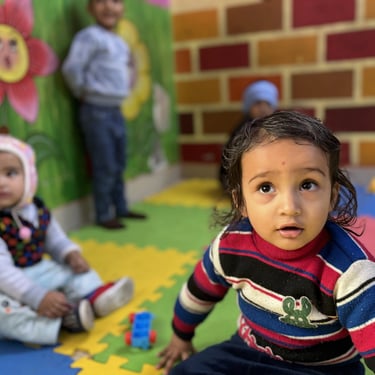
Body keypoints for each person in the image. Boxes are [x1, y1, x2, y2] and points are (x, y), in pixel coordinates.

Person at [157, 111, 375, 374]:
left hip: (322, 369)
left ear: (331, 197)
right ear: (241, 202)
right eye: (265, 187)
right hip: (247, 351)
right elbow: (200, 290)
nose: (289, 207)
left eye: (308, 184)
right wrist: (181, 335)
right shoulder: (231, 245)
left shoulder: (351, 271)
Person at [0, 134, 135, 345]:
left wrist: (70, 254)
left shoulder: (37, 210)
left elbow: (55, 240)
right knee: (4, 312)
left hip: (39, 269)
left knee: (74, 271)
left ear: (29, 177)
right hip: (5, 286)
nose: (1, 182)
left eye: (11, 173)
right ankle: (58, 321)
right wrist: (37, 297)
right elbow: (4, 273)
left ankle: (95, 296)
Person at [62, 0, 146, 229]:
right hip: (95, 109)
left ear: (123, 8)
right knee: (105, 164)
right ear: (90, 8)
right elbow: (71, 67)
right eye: (101, 1)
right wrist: (82, 91)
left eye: (116, 1)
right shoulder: (89, 36)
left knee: (119, 163)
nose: (109, 7)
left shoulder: (119, 41)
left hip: (115, 109)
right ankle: (103, 213)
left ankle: (120, 207)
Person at [219, 80, 279, 192]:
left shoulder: (277, 128)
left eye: (268, 104)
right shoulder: (242, 129)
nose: (263, 108)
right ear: (248, 106)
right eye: (258, 103)